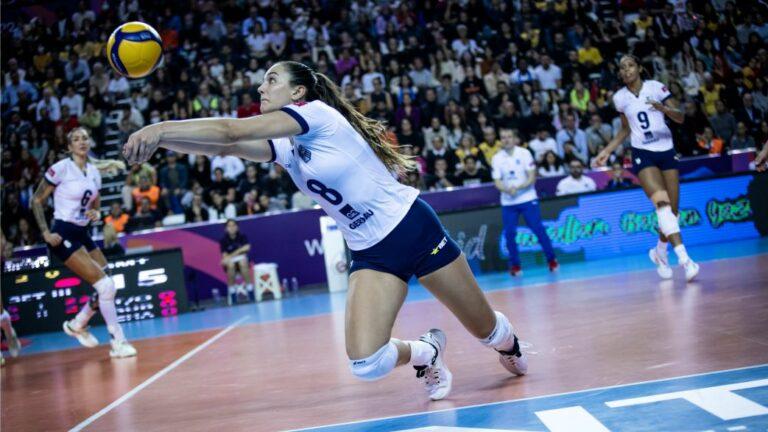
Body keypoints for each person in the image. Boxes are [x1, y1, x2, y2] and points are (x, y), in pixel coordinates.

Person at [124, 61, 528, 401]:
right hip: (371, 253)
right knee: (366, 364)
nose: (261, 88)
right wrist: (164, 143)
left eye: (271, 80)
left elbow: (232, 132)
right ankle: (426, 352)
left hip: (412, 227)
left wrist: (160, 127)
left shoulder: (317, 115)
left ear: (298, 92)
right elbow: (226, 147)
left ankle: (508, 343)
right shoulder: (287, 146)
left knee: (487, 332)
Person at [31, 127, 136, 358]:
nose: (81, 142)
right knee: (106, 286)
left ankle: (78, 323)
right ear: (69, 146)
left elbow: (95, 203)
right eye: (76, 139)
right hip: (63, 233)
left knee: (108, 284)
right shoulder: (61, 168)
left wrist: (96, 213)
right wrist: (45, 232)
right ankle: (118, 342)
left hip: (82, 232)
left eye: (85, 138)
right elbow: (36, 200)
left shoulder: (93, 172)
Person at [595, 55, 699, 282]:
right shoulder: (620, 98)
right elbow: (625, 129)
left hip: (666, 151)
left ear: (640, 68)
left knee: (673, 213)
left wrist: (663, 108)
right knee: (662, 206)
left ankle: (659, 252)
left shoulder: (656, 87)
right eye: (622, 68)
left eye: (630, 65)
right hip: (642, 153)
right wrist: (607, 151)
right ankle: (685, 260)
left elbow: (681, 117)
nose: (626, 70)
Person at [492, 129, 558, 276]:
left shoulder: (524, 153)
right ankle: (515, 266)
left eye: (509, 137)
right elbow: (497, 181)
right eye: (503, 137)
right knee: (509, 234)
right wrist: (507, 189)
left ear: (514, 138)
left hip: (527, 198)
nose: (506, 140)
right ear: (500, 140)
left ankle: (552, 260)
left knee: (538, 229)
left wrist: (519, 187)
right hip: (508, 202)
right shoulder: (497, 158)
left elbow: (532, 177)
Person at [220, 219, 255, 304]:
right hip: (231, 265)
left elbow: (247, 247)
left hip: (243, 262)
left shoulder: (242, 236)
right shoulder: (223, 240)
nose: (232, 228)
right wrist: (239, 251)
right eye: (229, 226)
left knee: (242, 262)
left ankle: (250, 290)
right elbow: (225, 256)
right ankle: (233, 292)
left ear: (237, 227)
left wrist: (233, 254)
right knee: (231, 265)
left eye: (233, 225)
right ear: (226, 228)